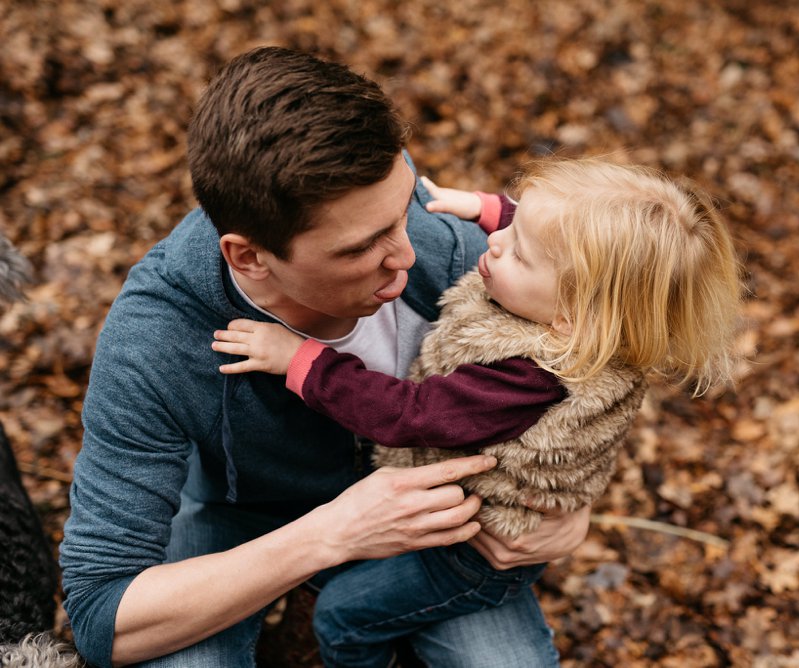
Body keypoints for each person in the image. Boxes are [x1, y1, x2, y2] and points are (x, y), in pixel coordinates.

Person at [58, 46, 588, 668]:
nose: (408, 256)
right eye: (363, 248)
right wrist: (333, 535)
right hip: (244, 516)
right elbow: (102, 616)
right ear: (249, 257)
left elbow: (592, 339)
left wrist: (570, 507)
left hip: (435, 504)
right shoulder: (155, 341)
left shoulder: (433, 236)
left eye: (402, 215)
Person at [212, 159, 745, 667]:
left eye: (519, 255)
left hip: (472, 549)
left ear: (571, 318)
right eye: (508, 231)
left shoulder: (526, 377)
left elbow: (411, 413)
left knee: (343, 614)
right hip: (442, 509)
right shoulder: (578, 308)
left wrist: (301, 360)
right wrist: (488, 207)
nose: (493, 243)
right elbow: (549, 232)